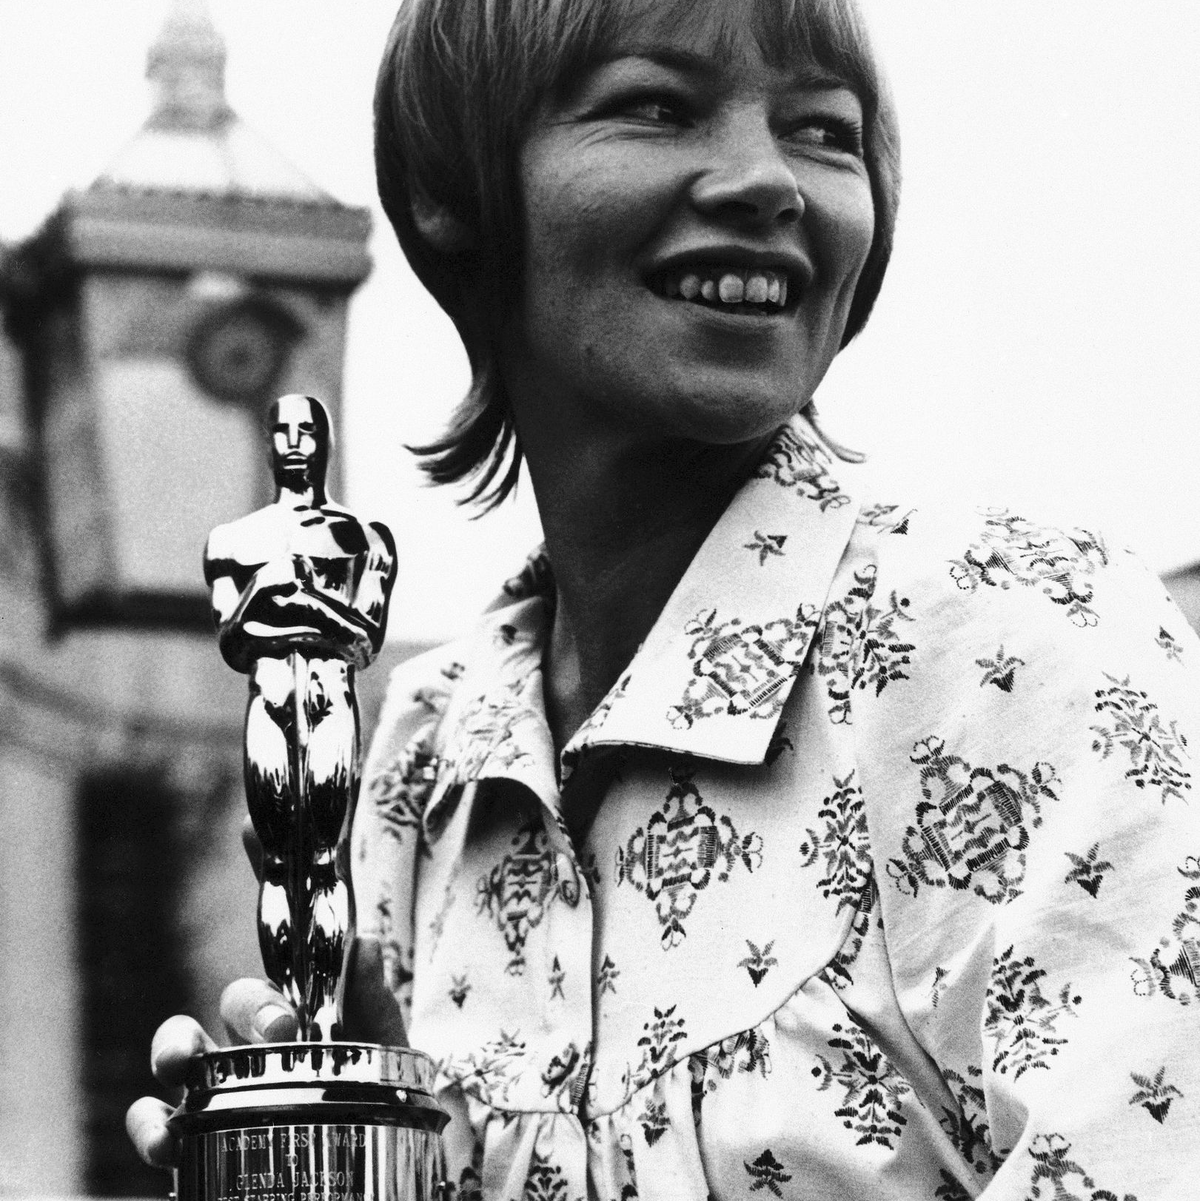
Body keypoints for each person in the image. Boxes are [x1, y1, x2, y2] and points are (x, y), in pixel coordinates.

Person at [130, 0, 1200, 1197]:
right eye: (656, 105)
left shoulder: (1010, 637)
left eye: (825, 130)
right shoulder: (430, 754)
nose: (766, 180)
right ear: (453, 190)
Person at [203, 393, 397, 1039]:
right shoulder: (233, 540)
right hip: (271, 696)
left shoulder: (364, 540)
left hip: (329, 696)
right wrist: (300, 605)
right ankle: (289, 1012)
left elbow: (364, 637)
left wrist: (293, 598)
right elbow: (235, 636)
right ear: (267, 442)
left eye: (306, 429)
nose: (292, 440)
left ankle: (325, 1018)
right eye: (280, 429)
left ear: (326, 441)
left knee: (321, 856)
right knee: (281, 862)